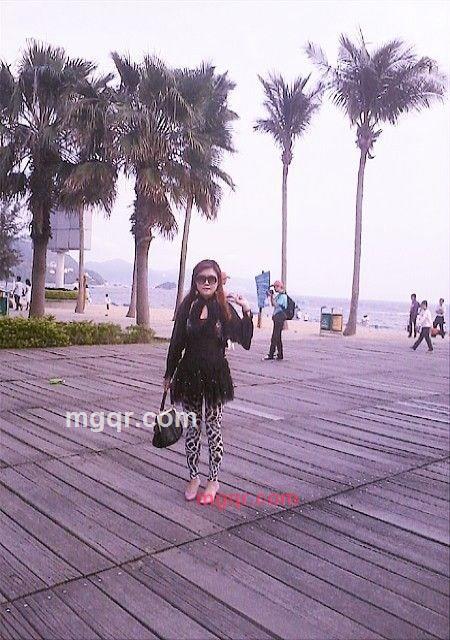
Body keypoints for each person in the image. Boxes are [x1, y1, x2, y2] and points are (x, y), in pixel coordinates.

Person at [163, 259, 253, 504]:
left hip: (215, 377)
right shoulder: (187, 307)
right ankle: (194, 477)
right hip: (189, 375)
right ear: (195, 281)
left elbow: (245, 341)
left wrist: (246, 311)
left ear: (218, 283)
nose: (206, 283)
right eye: (201, 278)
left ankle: (213, 480)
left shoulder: (224, 309)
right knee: (193, 429)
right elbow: (176, 342)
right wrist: (169, 374)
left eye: (211, 279)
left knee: (213, 429)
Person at [263, 280, 287, 361]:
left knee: (274, 336)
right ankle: (280, 354)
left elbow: (276, 305)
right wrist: (271, 296)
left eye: (275, 287)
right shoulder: (279, 296)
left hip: (280, 317)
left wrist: (272, 296)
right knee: (278, 337)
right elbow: (273, 304)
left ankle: (271, 354)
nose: (275, 289)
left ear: (279, 287)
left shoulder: (283, 296)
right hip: (277, 317)